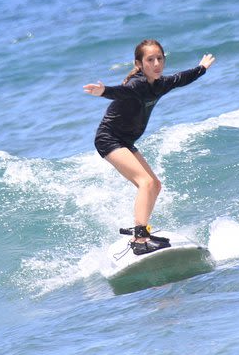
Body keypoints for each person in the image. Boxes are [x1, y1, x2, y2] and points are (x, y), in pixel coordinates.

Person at [83, 39, 216, 255]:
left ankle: (141, 227)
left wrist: (201, 69)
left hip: (125, 141)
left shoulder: (160, 84)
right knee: (145, 182)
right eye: (150, 60)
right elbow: (120, 92)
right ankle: (140, 237)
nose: (156, 64)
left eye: (159, 59)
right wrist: (103, 91)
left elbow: (180, 78)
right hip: (109, 138)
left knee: (155, 184)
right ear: (139, 63)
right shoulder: (137, 85)